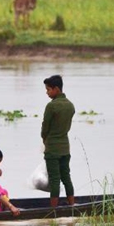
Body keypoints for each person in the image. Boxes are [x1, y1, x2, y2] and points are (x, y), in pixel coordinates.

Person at [41, 74, 76, 208]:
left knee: (54, 179)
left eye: (48, 89)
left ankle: (53, 210)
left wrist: (45, 140)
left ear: (56, 89)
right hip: (65, 147)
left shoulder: (51, 106)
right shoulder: (70, 105)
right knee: (66, 177)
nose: (47, 92)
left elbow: (45, 127)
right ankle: (72, 205)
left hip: (52, 148)